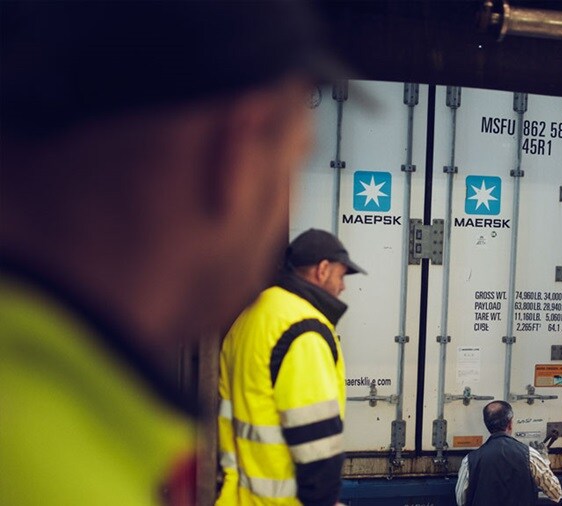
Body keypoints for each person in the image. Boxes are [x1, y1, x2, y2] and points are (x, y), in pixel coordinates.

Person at [0, 2, 341, 504]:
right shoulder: (85, 477)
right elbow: (318, 456)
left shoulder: (49, 419)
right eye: (296, 160)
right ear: (237, 156)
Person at [217, 229, 366, 506]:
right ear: (322, 270)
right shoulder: (303, 330)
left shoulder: (250, 315)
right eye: (341, 275)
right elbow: (316, 441)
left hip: (238, 497)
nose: (343, 286)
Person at [456, 401, 562, 506]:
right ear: (510, 424)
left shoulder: (470, 461)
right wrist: (544, 461)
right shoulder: (530, 455)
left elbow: (461, 500)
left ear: (487, 425)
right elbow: (556, 493)